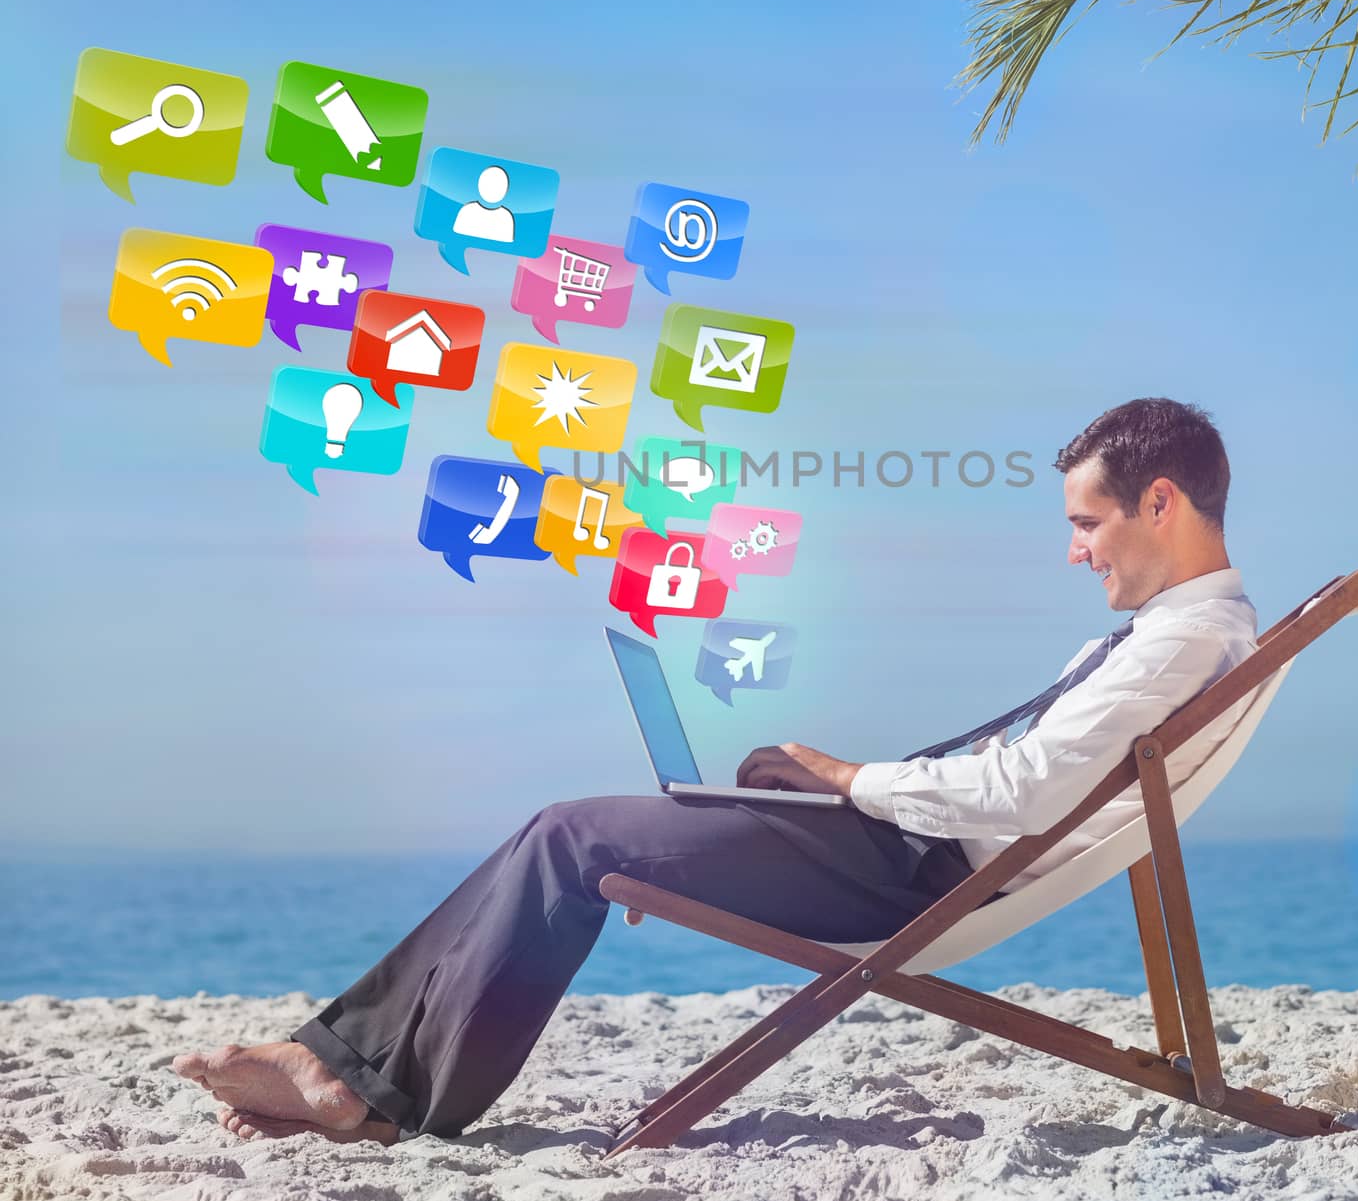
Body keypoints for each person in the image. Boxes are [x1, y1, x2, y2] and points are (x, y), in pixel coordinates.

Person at [173, 397, 1257, 1145]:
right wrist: (788, 803)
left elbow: (1021, 793)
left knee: (572, 837)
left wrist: (851, 778)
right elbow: (1034, 781)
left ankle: (368, 1088)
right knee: (677, 798)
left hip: (914, 870)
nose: (1075, 549)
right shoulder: (1183, 634)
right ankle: (347, 1063)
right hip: (907, 848)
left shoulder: (1174, 643)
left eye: (1087, 521)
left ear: (1158, 502)